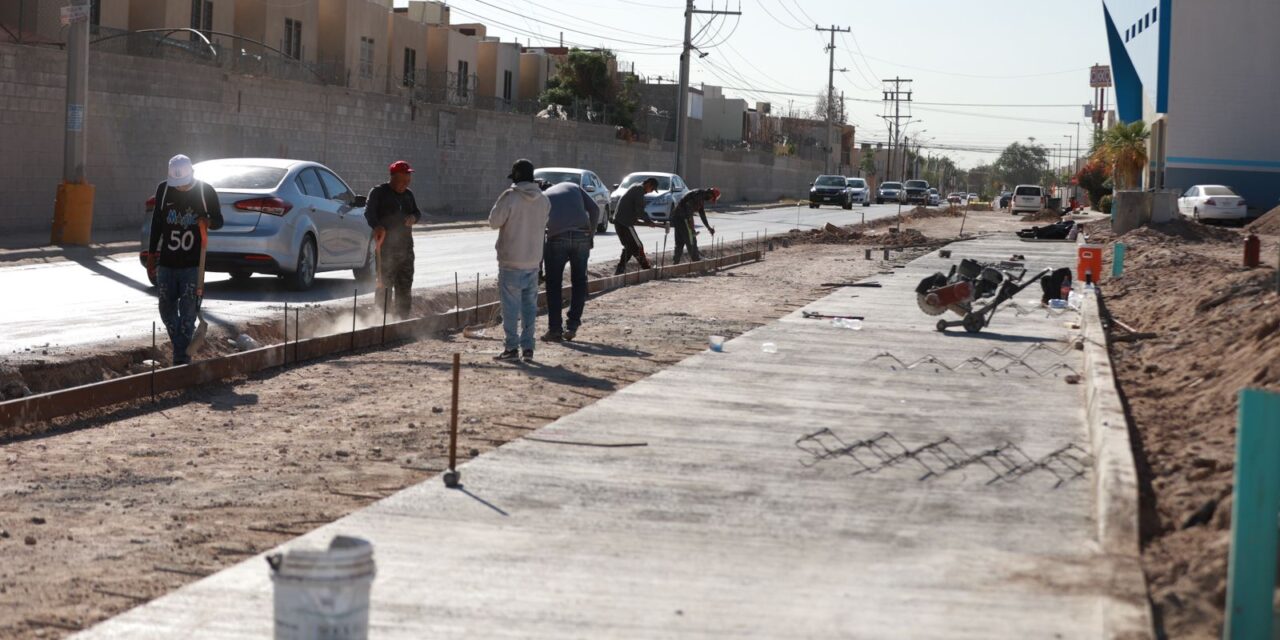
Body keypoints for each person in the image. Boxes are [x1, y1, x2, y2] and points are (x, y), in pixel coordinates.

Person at [146, 154, 223, 365]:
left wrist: (207, 222)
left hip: (192, 265)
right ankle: (182, 350)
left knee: (188, 312)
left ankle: (180, 359)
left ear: (192, 174)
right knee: (166, 307)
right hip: (167, 263)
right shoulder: (164, 191)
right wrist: (152, 255)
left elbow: (219, 221)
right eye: (176, 184)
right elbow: (157, 224)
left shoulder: (205, 192)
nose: (180, 188)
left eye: (183, 183)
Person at [488, 159, 551, 362]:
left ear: (515, 176)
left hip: (511, 262)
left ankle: (511, 348)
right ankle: (528, 348)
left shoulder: (510, 196)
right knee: (529, 309)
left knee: (510, 309)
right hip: (533, 262)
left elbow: (493, 222)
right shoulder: (543, 200)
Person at [539, 179, 600, 342]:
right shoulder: (573, 186)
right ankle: (572, 326)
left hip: (557, 238)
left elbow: (538, 231)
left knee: (553, 285)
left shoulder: (543, 197)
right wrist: (591, 234)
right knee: (579, 282)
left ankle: (555, 329)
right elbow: (594, 209)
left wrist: (539, 266)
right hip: (582, 236)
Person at [364, 160, 421, 318]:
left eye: (408, 181)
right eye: (403, 181)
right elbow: (369, 213)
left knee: (405, 286)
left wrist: (413, 218)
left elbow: (417, 213)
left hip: (406, 250)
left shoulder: (408, 195)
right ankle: (382, 320)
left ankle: (402, 320)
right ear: (393, 177)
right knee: (384, 287)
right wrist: (377, 226)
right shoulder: (379, 193)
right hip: (386, 250)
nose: (405, 184)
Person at [612, 177, 661, 274]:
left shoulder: (635, 186)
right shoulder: (639, 190)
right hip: (624, 223)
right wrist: (648, 221)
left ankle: (620, 270)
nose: (650, 192)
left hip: (621, 222)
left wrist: (642, 221)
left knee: (630, 247)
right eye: (652, 189)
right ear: (648, 184)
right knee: (638, 246)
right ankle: (646, 269)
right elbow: (640, 211)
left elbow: (633, 209)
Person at [670, 187, 720, 264]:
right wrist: (691, 223)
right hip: (683, 218)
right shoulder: (699, 195)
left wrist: (708, 228)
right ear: (710, 194)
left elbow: (702, 214)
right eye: (712, 199)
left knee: (680, 242)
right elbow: (688, 207)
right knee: (691, 239)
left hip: (677, 217)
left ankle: (675, 263)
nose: (710, 201)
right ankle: (696, 261)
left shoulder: (701, 196)